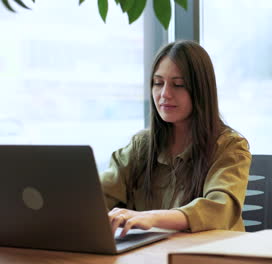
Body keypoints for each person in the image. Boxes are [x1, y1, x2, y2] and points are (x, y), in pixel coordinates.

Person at [99, 40, 252, 237]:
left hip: (209, 255)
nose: (165, 94)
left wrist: (152, 218)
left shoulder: (230, 146)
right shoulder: (141, 146)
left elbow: (219, 209)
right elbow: (97, 197)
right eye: (158, 83)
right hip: (152, 255)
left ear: (200, 90)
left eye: (178, 85)